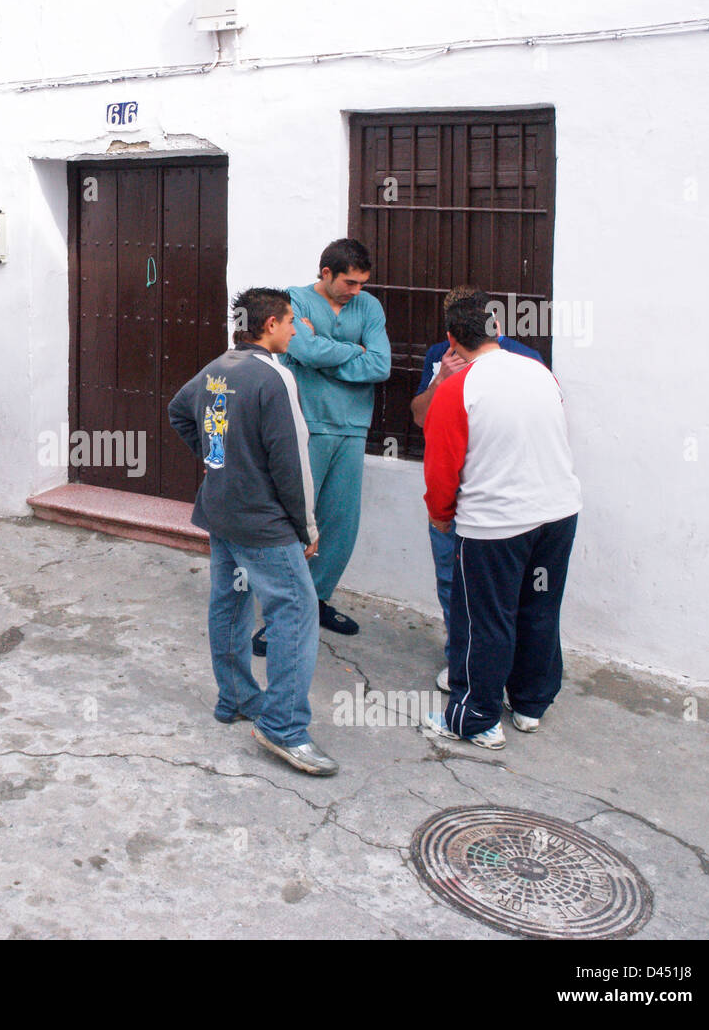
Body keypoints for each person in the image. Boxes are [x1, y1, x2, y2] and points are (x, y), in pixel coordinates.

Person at [168, 287, 338, 777]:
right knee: (298, 612)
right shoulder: (274, 377)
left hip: (221, 512)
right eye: (290, 322)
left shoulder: (217, 368)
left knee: (231, 600)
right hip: (262, 523)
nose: (295, 330)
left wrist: (217, 461)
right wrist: (306, 525)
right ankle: (282, 728)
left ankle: (237, 699)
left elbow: (180, 412)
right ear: (269, 326)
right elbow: (292, 460)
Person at [420, 291, 582, 749]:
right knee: (539, 608)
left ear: (452, 339)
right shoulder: (538, 371)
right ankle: (530, 705)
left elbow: (441, 467)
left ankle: (474, 718)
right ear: (496, 328)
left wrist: (441, 517)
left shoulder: (458, 387)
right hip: (557, 512)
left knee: (483, 619)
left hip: (494, 523)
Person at [252, 238, 389, 652]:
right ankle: (281, 615)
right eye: (350, 282)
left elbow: (380, 365)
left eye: (362, 282)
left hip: (351, 428)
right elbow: (300, 348)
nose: (357, 291)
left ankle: (317, 600)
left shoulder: (370, 308)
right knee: (294, 521)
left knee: (340, 524)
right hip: (306, 424)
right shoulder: (294, 300)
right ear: (326, 273)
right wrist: (352, 353)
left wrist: (322, 355)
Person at [410, 286, 546, 692]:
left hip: (504, 500)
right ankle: (461, 658)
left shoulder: (525, 359)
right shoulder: (441, 356)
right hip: (454, 493)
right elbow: (419, 417)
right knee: (452, 581)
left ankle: (494, 676)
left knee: (508, 594)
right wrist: (442, 381)